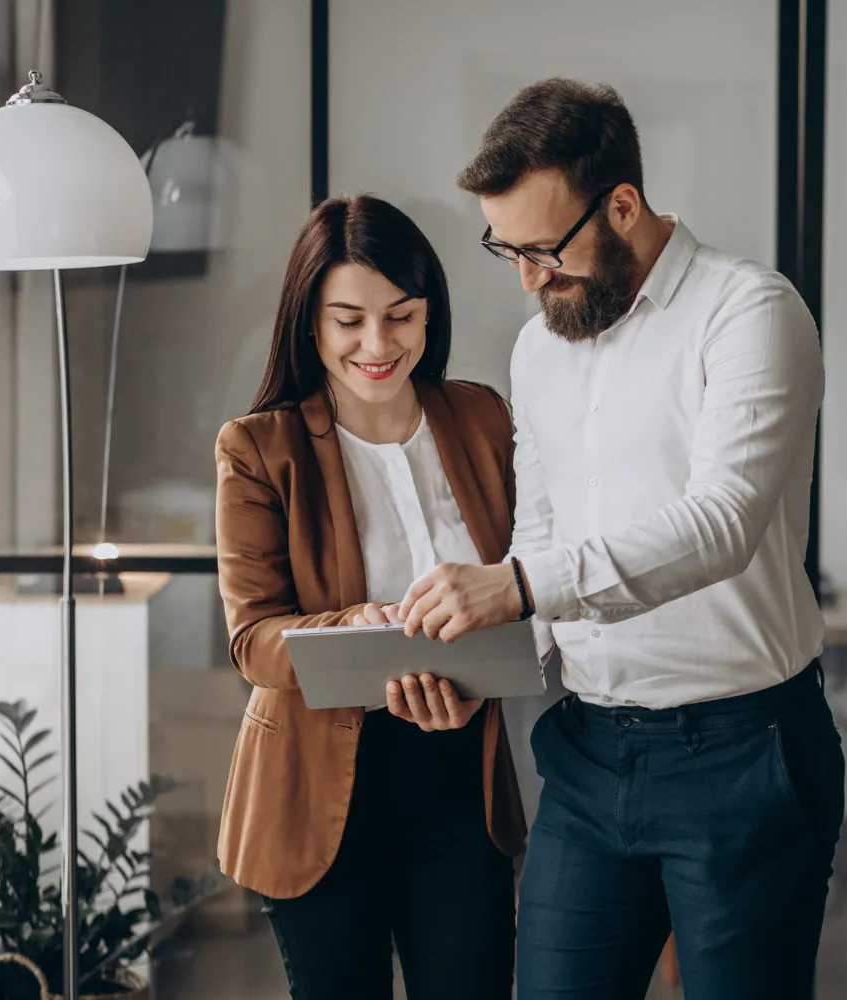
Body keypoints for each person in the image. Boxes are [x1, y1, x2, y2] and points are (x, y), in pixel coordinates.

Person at [387, 79, 844, 999]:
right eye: (505, 250)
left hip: (743, 750)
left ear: (623, 206)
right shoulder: (541, 346)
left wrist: (514, 587)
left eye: (544, 250)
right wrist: (481, 664)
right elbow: (543, 527)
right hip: (590, 756)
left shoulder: (750, 314)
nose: (526, 278)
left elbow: (721, 524)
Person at [213, 195, 525, 1000]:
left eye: (402, 316)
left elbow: (532, 578)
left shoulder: (482, 417)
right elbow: (253, 641)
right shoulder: (259, 447)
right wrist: (355, 625)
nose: (378, 345)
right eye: (348, 320)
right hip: (315, 789)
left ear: (430, 314)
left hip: (460, 774)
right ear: (308, 322)